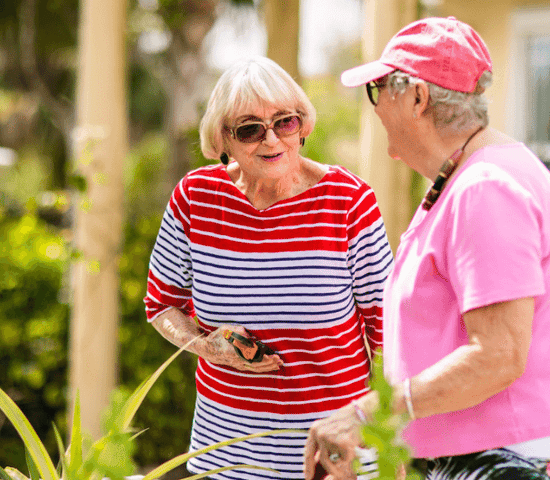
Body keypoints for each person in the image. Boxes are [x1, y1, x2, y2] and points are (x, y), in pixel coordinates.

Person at [303, 17, 550, 480]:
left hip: (512, 454)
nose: (375, 107)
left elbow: (498, 354)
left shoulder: (485, 189)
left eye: (378, 90)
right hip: (487, 451)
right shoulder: (469, 177)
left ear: (417, 97)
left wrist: (370, 416)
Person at [144, 56, 393, 479]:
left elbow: (389, 334)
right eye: (250, 129)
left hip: (332, 458)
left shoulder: (349, 203)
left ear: (303, 125)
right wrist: (206, 346)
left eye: (285, 122)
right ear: (224, 137)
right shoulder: (195, 198)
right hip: (225, 454)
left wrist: (388, 444)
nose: (271, 139)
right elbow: (161, 305)